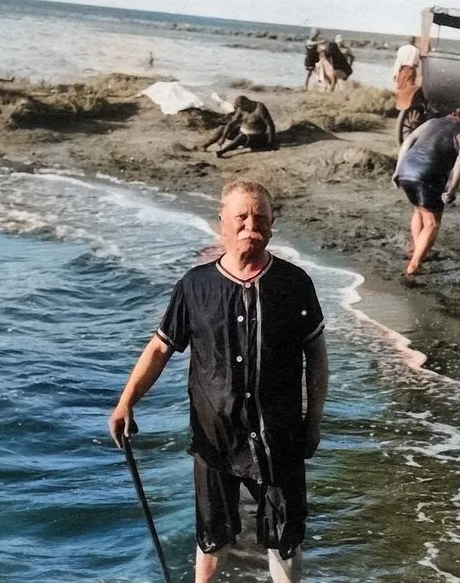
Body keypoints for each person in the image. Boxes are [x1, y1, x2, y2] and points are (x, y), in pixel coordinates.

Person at [108, 181, 329, 583]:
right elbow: (160, 349)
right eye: (241, 217)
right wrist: (127, 402)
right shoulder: (195, 286)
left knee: (285, 537)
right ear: (221, 226)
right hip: (215, 437)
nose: (251, 224)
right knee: (212, 536)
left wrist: (312, 421)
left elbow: (316, 358)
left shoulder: (294, 284)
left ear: (273, 225)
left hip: (278, 435)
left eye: (260, 216)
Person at [393, 102, 460, 277]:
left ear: (452, 112)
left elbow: (407, 141)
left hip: (406, 170)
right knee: (432, 223)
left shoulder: (431, 122)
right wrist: (453, 189)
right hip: (428, 176)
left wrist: (397, 170)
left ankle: (416, 251)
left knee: (418, 211)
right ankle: (413, 266)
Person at [198, 96, 277, 158]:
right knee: (222, 128)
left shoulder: (260, 109)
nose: (241, 110)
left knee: (241, 136)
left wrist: (270, 143)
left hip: (256, 137)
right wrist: (223, 137)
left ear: (247, 103)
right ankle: (205, 145)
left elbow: (270, 125)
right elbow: (231, 123)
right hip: (242, 132)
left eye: (242, 107)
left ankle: (221, 152)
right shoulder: (241, 108)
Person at [393, 36, 421, 111]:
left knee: (401, 87)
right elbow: (417, 64)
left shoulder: (402, 49)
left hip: (403, 70)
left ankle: (400, 105)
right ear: (414, 41)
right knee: (409, 88)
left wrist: (395, 74)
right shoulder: (417, 50)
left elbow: (398, 62)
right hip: (412, 70)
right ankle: (406, 104)